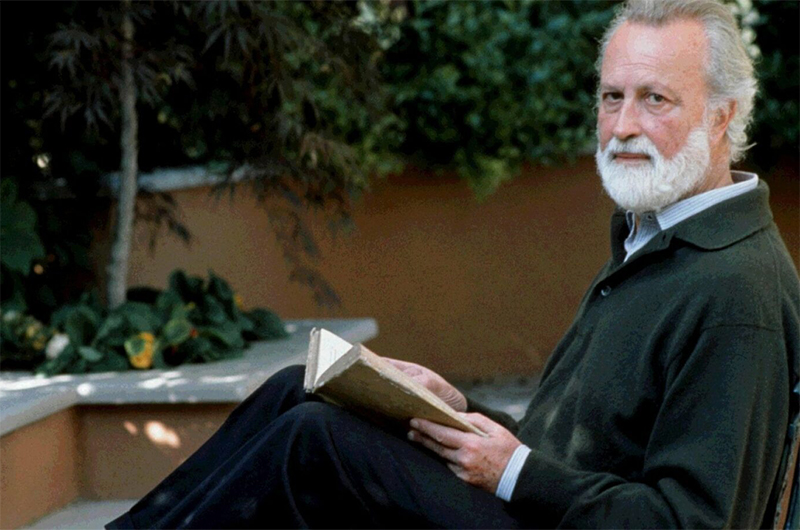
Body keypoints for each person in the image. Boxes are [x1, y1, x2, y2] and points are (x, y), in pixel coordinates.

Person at [108, 0, 799, 528]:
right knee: (305, 389)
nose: (621, 127)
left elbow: (693, 522)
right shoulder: (653, 237)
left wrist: (514, 470)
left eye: (655, 99)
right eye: (611, 96)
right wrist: (462, 409)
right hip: (538, 509)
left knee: (316, 441)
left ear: (722, 116)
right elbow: (580, 450)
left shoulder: (735, 291)